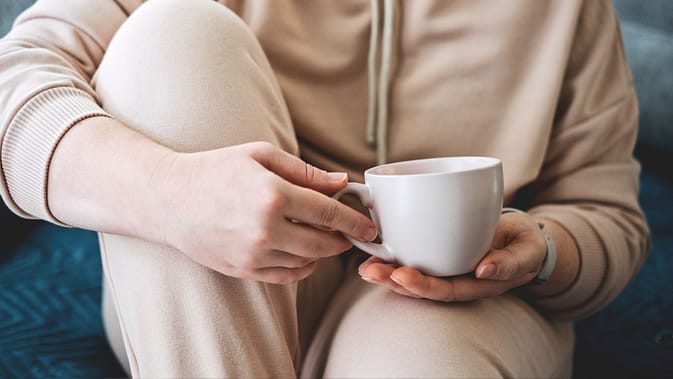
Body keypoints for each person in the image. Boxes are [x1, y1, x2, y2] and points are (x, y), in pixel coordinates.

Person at [0, 0, 650, 377]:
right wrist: (170, 193)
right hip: (210, 294)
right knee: (170, 34)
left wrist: (541, 243)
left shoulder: (569, 12)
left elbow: (608, 217)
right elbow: (11, 90)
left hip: (452, 304)